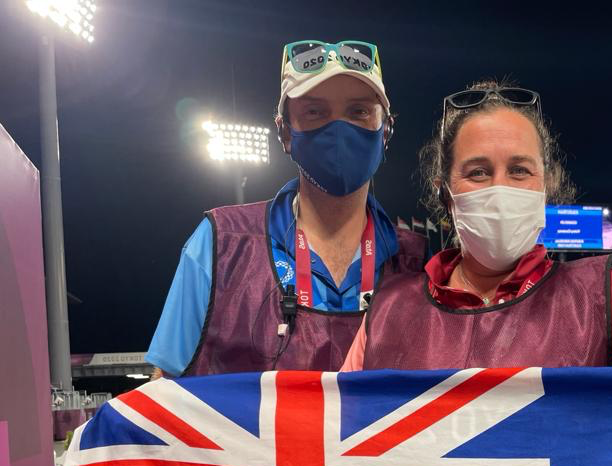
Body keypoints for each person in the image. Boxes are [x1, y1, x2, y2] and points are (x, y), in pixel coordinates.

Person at [342, 81, 612, 371]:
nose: (500, 187)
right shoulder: (388, 309)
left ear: (545, 185)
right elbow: (333, 430)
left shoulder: (610, 299)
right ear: (445, 192)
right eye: (478, 172)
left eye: (519, 170)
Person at [146, 39, 426, 377]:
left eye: (359, 112)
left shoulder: (418, 262)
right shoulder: (220, 244)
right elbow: (162, 395)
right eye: (315, 112)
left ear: (386, 130)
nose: (338, 130)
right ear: (285, 132)